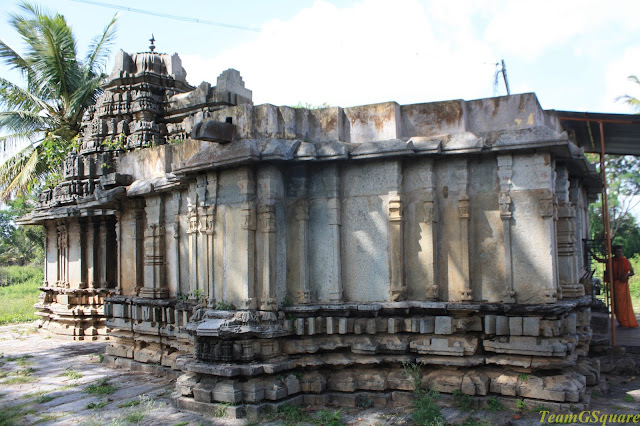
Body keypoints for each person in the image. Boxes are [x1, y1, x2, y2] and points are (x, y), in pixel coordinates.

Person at [593, 245, 638, 328]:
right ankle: (621, 321)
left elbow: (632, 272)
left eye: (620, 252)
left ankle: (627, 322)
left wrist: (626, 274)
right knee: (616, 305)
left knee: (624, 304)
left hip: (623, 286)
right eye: (617, 252)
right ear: (614, 253)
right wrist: (592, 254)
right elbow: (600, 260)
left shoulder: (625, 261)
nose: (619, 254)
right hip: (614, 285)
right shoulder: (611, 260)